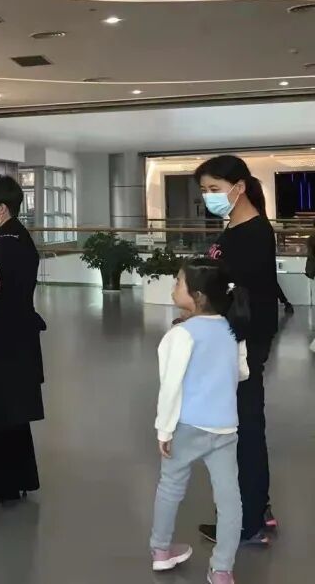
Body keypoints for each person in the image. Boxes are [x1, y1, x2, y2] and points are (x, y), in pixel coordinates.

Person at [150, 258, 249, 584]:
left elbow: (170, 386)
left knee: (170, 487)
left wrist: (164, 430)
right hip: (225, 427)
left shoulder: (181, 334)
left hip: (187, 426)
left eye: (178, 282)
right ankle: (222, 570)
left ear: (198, 296)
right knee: (229, 499)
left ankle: (161, 550)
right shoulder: (233, 329)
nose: (173, 287)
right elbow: (242, 372)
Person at [195, 155, 276, 545]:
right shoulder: (234, 227)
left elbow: (238, 292)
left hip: (240, 341)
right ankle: (258, 507)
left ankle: (246, 521)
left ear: (239, 187)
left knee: (241, 429)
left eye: (214, 189)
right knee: (244, 423)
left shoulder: (253, 233)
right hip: (230, 338)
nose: (209, 197)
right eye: (204, 191)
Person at [0, 176, 46, 502]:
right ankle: (20, 478)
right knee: (14, 414)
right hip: (17, 335)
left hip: (2, 338)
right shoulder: (17, 236)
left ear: (1, 209)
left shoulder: (2, 245)